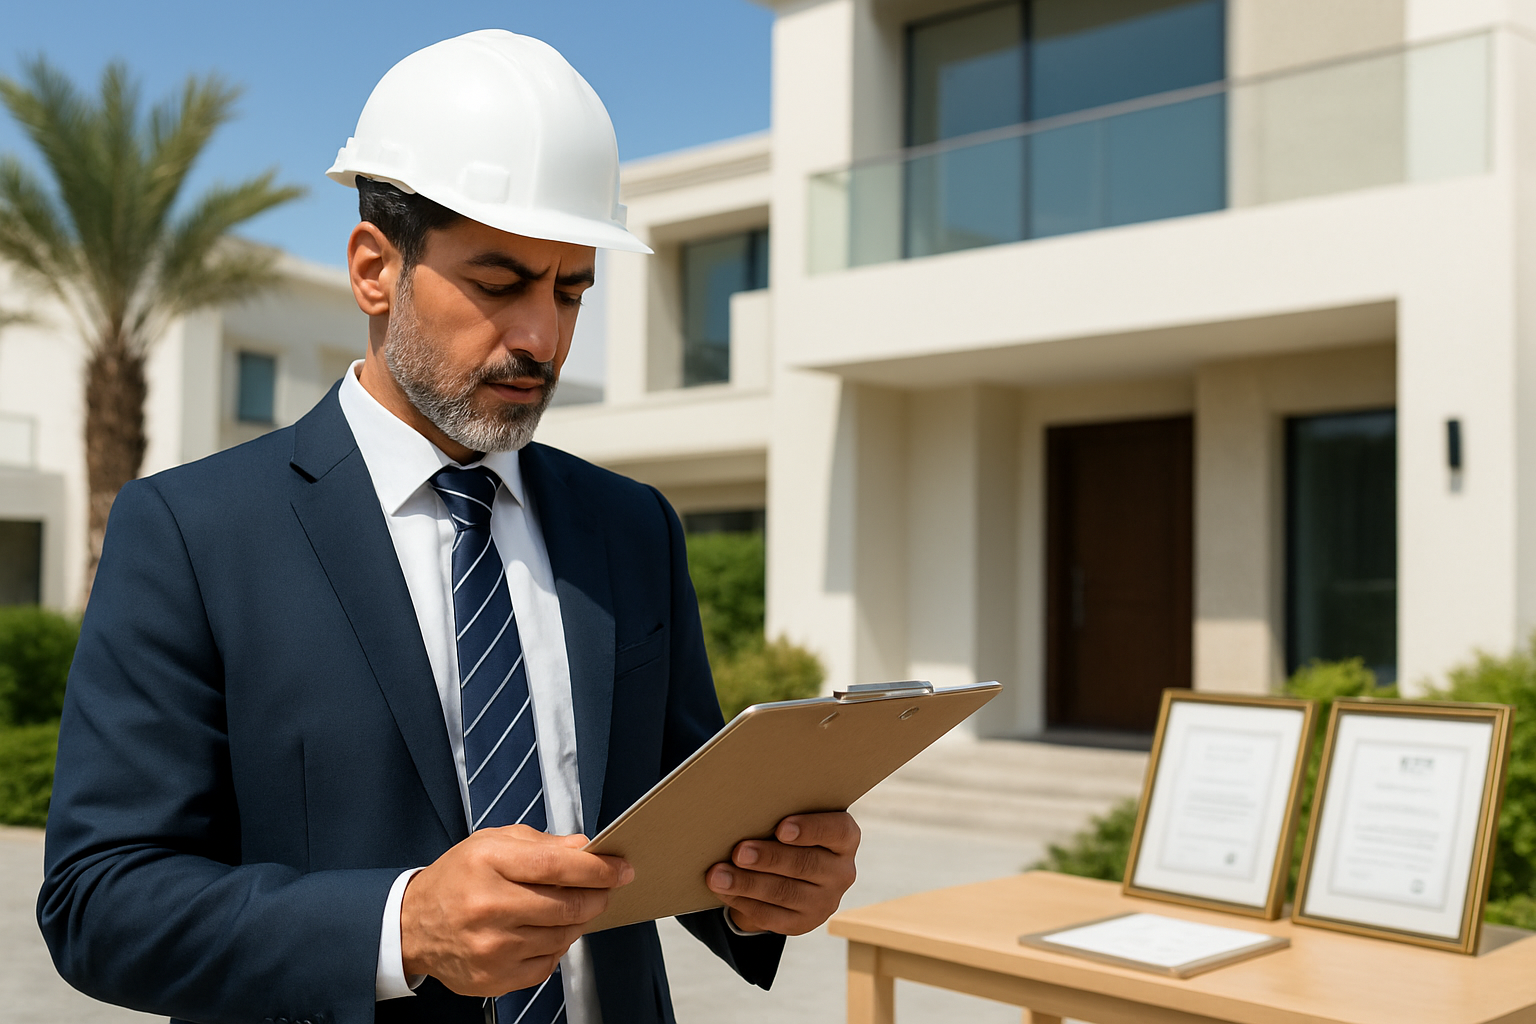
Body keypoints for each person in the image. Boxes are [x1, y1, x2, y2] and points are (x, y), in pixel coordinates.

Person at [38, 30, 859, 1024]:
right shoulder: (191, 533)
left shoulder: (632, 525)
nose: (542, 338)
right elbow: (99, 902)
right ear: (374, 269)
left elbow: (673, 820)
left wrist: (765, 884)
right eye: (500, 284)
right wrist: (401, 926)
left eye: (571, 290)